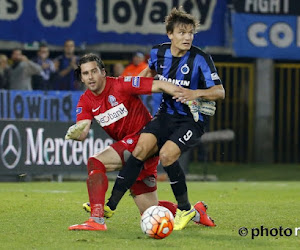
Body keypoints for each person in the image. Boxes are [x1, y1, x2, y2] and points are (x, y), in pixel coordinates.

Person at [104, 7, 225, 231]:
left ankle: (185, 209)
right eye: (182, 32)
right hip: (164, 116)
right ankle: (109, 206)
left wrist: (194, 94)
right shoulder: (158, 53)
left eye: (190, 33)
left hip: (191, 121)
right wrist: (129, 93)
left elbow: (220, 91)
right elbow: (146, 77)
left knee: (167, 155)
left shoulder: (201, 58)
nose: (187, 37)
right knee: (140, 150)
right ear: (170, 34)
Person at [66, 53, 215, 231]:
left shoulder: (122, 84)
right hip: (137, 153)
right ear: (81, 77)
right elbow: (83, 131)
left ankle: (97, 219)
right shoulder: (85, 100)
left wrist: (186, 94)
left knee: (96, 162)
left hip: (145, 139)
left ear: (103, 72)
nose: (90, 77)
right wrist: (76, 133)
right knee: (150, 212)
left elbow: (158, 84)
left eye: (94, 71)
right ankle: (196, 212)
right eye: (85, 73)